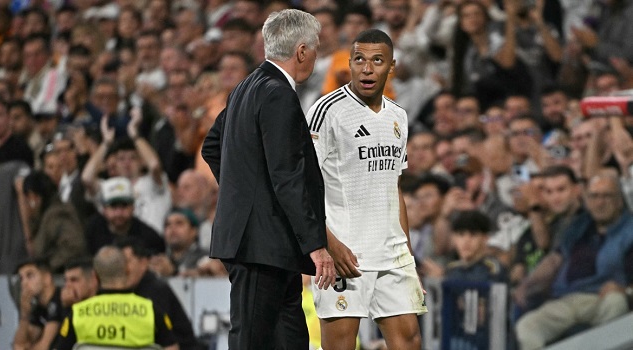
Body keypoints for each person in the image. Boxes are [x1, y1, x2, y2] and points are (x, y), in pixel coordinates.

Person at [201, 9, 336, 349]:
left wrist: (246, 197)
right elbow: (287, 175)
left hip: (270, 245)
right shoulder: (277, 93)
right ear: (301, 51)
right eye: (316, 48)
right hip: (260, 245)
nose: (316, 56)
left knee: (289, 339)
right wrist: (316, 245)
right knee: (252, 339)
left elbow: (212, 147)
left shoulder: (245, 87)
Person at [305, 29, 427, 350]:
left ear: (391, 67)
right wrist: (328, 243)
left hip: (392, 255)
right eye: (359, 59)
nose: (367, 68)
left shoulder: (398, 116)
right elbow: (303, 183)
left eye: (377, 60)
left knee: (410, 342)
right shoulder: (327, 110)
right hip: (345, 254)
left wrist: (408, 256)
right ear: (350, 63)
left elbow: (394, 188)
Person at [514, 174, 633, 349]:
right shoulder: (580, 225)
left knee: (616, 302)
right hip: (566, 299)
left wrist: (626, 290)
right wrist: (527, 287)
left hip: (600, 298)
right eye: (594, 196)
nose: (600, 202)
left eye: (606, 196)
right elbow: (555, 259)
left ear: (619, 201)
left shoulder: (630, 230)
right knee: (527, 326)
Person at [54, 246, 179, 350]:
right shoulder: (151, 311)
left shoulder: (77, 314)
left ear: (95, 276)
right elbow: (172, 348)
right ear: (127, 270)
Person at [114, 237, 200, 350]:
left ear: (143, 262)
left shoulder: (155, 290)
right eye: (118, 263)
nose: (122, 268)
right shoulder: (130, 289)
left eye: (126, 261)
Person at [13, 258, 63, 350]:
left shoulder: (60, 299)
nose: (24, 283)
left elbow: (44, 346)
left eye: (30, 276)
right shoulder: (39, 308)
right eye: (21, 278)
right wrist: (24, 314)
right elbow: (19, 345)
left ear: (47, 278)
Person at [446, 210, 508, 283]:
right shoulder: (451, 269)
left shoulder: (493, 269)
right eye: (461, 234)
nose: (466, 241)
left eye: (473, 234)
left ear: (485, 238)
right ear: (454, 238)